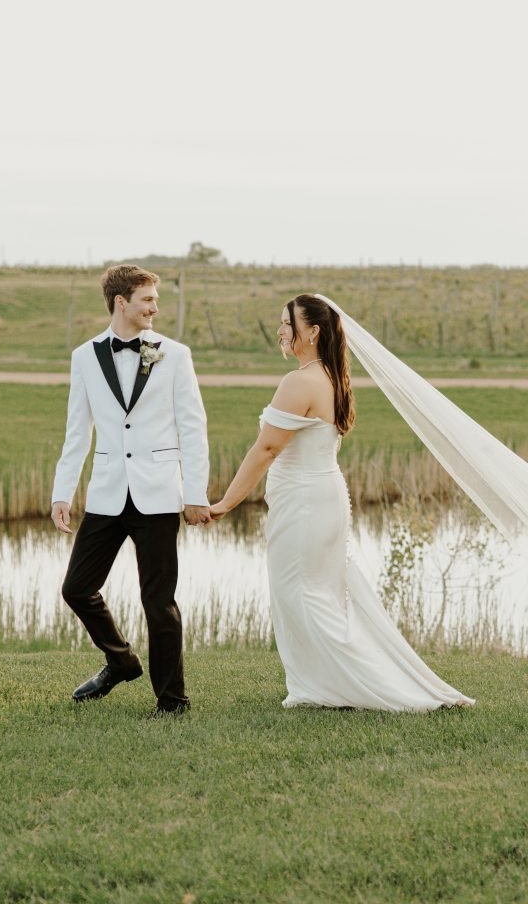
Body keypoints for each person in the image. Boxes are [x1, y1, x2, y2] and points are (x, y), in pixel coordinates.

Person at [209, 294, 476, 711]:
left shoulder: (300, 381)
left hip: (305, 504)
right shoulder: (331, 377)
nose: (279, 330)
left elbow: (266, 449)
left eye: (286, 323)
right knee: (318, 593)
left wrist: (225, 503)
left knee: (303, 593)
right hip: (323, 498)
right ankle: (321, 683)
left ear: (312, 332)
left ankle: (353, 685)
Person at [51, 264, 210, 714]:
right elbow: (77, 431)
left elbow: (193, 427)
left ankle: (172, 701)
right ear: (122, 302)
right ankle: (120, 661)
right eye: (147, 300)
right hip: (106, 493)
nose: (155, 307)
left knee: (159, 603)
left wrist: (194, 493)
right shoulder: (85, 356)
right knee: (77, 588)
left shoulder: (175, 355)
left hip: (159, 493)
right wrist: (62, 493)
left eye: (155, 300)